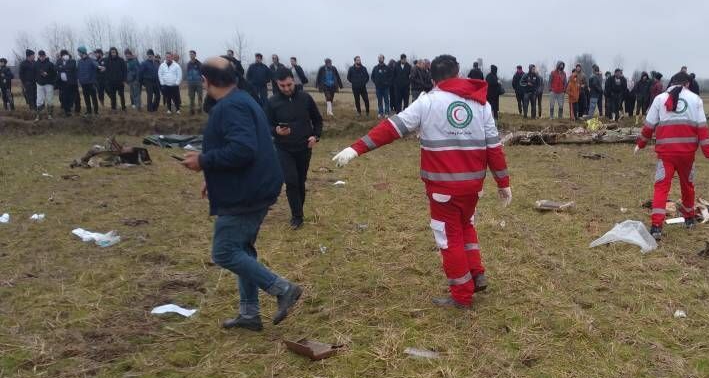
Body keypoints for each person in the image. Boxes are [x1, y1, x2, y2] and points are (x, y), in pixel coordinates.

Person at [332, 53, 512, 310]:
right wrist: (503, 183)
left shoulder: (427, 103)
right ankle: (476, 274)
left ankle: (462, 295)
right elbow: (494, 147)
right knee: (466, 227)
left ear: (432, 77)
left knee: (449, 239)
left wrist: (356, 149)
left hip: (442, 190)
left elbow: (391, 128)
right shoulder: (480, 104)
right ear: (458, 72)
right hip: (473, 187)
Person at [179, 57, 302, 331]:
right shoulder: (242, 99)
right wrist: (213, 178)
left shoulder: (232, 107)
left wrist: (203, 162)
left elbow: (243, 149)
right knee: (242, 250)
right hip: (251, 185)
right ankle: (249, 313)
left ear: (206, 81)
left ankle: (282, 289)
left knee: (224, 251)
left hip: (247, 192)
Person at [635, 76, 709, 240]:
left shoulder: (659, 99)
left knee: (661, 188)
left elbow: (649, 126)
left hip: (666, 154)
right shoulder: (696, 100)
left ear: (671, 83)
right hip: (687, 154)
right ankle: (689, 219)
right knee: (688, 186)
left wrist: (641, 144)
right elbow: (702, 129)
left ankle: (656, 227)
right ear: (687, 84)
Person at [266, 67, 323, 229]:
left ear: (294, 80)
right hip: (283, 149)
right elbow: (266, 125)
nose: (286, 89)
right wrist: (275, 130)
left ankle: (299, 210)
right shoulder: (272, 102)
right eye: (282, 86)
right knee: (291, 181)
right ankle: (297, 216)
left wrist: (315, 136)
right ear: (277, 84)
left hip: (304, 147)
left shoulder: (305, 98)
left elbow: (317, 120)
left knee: (300, 181)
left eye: (289, 85)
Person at [75, 47, 100, 116]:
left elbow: (96, 65)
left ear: (82, 52)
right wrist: (79, 79)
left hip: (91, 82)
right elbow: (78, 71)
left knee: (94, 97)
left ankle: (96, 112)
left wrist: (99, 67)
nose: (78, 53)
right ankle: (89, 112)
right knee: (86, 98)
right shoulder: (79, 61)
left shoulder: (91, 60)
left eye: (79, 52)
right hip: (83, 83)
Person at [55, 50, 80, 117]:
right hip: (63, 83)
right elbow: (56, 68)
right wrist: (64, 68)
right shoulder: (58, 61)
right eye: (62, 56)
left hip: (72, 83)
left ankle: (77, 110)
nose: (63, 57)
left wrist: (62, 67)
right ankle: (67, 111)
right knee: (64, 97)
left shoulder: (72, 61)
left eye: (64, 55)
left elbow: (71, 67)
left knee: (73, 97)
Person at [34, 50, 57, 119]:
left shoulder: (50, 64)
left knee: (49, 99)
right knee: (39, 100)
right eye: (40, 56)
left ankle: (50, 114)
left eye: (43, 56)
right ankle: (38, 115)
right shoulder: (36, 64)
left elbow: (55, 74)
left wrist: (47, 74)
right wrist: (36, 80)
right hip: (39, 84)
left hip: (49, 84)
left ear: (45, 56)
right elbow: (34, 73)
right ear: (38, 56)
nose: (42, 57)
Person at [102, 47, 127, 111]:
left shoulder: (121, 60)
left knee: (121, 95)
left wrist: (124, 80)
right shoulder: (107, 61)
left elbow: (124, 70)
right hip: (111, 82)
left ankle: (123, 107)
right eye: (112, 52)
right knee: (113, 96)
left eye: (114, 52)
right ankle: (113, 108)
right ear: (110, 53)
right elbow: (105, 70)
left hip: (120, 81)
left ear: (116, 52)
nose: (113, 53)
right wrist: (107, 79)